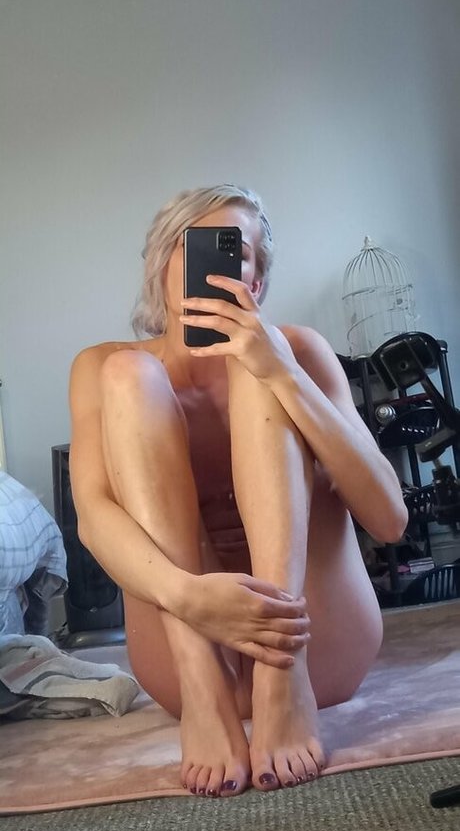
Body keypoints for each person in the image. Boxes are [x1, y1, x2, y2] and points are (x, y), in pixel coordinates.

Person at [69, 184, 408, 798]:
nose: (211, 264)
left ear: (256, 280)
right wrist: (188, 596)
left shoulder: (300, 350)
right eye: (192, 246)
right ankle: (206, 693)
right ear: (161, 267)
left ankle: (280, 680)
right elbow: (93, 519)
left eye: (234, 250)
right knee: (126, 374)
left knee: (260, 366)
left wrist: (283, 373)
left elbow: (390, 520)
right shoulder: (100, 368)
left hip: (316, 644)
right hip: (189, 660)